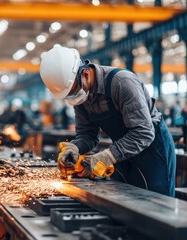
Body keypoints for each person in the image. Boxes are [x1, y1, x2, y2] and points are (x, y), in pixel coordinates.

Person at [40, 46, 176, 197]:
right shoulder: (81, 96)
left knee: (157, 204)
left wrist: (106, 157)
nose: (73, 98)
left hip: (153, 151)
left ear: (85, 73)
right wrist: (74, 148)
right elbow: (87, 135)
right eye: (68, 95)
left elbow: (143, 132)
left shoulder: (122, 83)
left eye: (73, 91)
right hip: (123, 151)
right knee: (127, 202)